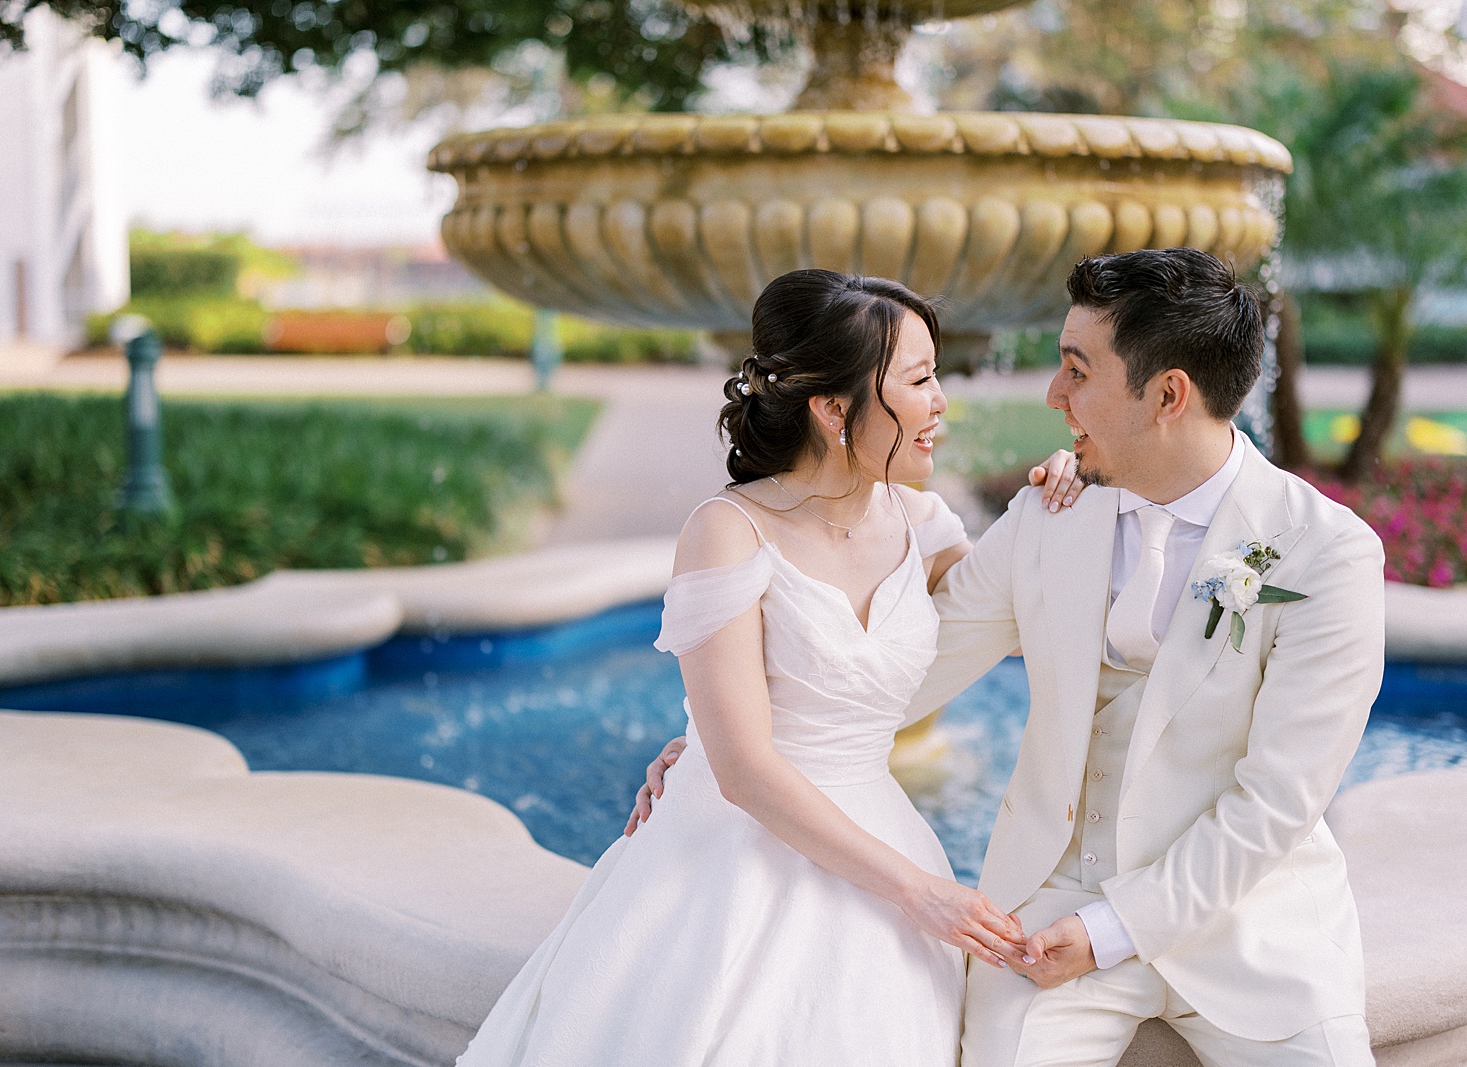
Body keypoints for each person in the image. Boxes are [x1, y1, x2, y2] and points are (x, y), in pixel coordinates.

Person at [636, 248, 1387, 1067]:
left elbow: (1273, 805)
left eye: (1076, 369)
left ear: (1168, 394)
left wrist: (1112, 930)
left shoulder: (1327, 556)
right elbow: (892, 669)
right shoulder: (1051, 515)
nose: (1053, 394)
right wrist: (726, 743)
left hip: (1253, 925)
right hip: (1048, 910)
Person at [455, 269, 1078, 1067]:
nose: (941, 402)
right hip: (734, 852)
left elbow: (1027, 630)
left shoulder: (923, 523)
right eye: (920, 380)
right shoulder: (727, 531)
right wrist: (920, 892)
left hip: (879, 827)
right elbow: (745, 766)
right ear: (833, 407)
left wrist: (1060, 505)